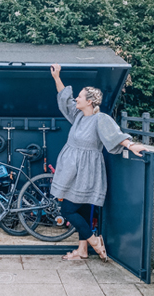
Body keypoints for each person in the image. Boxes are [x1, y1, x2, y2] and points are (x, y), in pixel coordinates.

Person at [50, 64, 147, 261]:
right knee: (83, 209)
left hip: (86, 171)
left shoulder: (100, 119)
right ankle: (82, 251)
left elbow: (114, 135)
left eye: (80, 96)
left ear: (90, 101)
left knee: (67, 210)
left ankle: (94, 242)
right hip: (72, 170)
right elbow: (64, 99)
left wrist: (130, 145)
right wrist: (56, 77)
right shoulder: (77, 116)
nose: (76, 98)